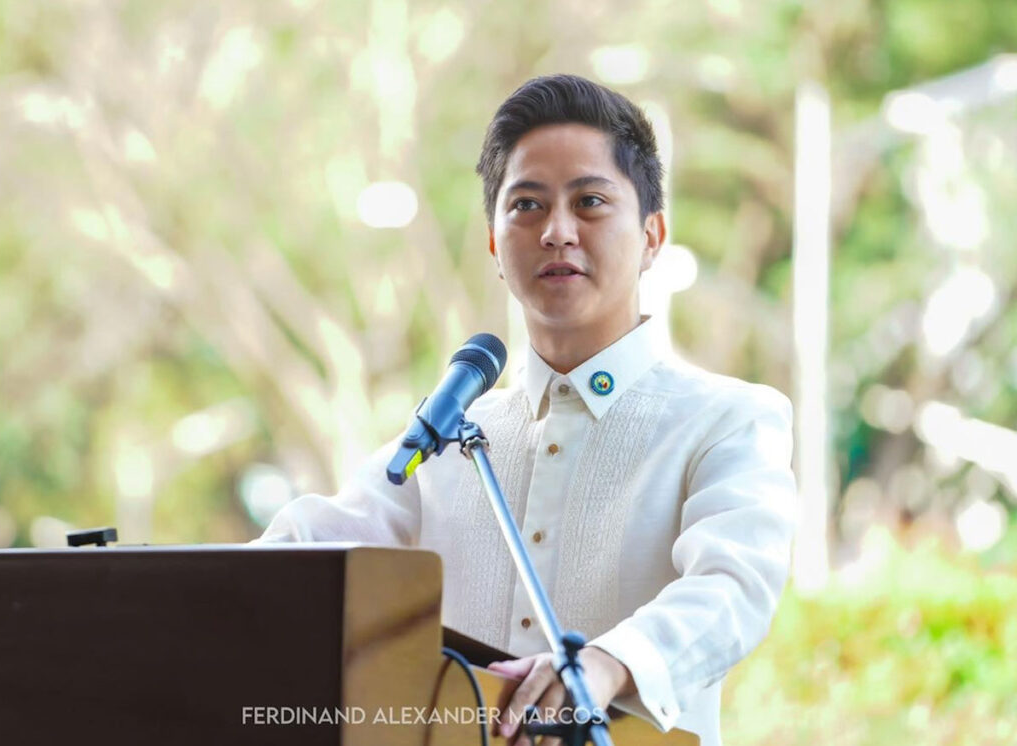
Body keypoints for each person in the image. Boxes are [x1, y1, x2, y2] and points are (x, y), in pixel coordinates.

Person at [254, 74, 797, 746]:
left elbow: (733, 586)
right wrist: (183, 589)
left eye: (590, 202)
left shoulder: (727, 419)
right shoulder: (449, 438)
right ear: (493, 243)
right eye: (527, 206)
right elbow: (311, 547)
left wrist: (607, 664)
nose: (556, 232)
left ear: (653, 236)